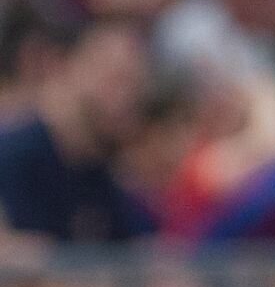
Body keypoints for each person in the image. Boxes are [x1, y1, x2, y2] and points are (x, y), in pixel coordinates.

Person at [0, 19, 158, 247]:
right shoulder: (12, 156)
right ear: (60, 66)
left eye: (136, 86)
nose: (126, 100)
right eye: (115, 80)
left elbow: (148, 254)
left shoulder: (104, 176)